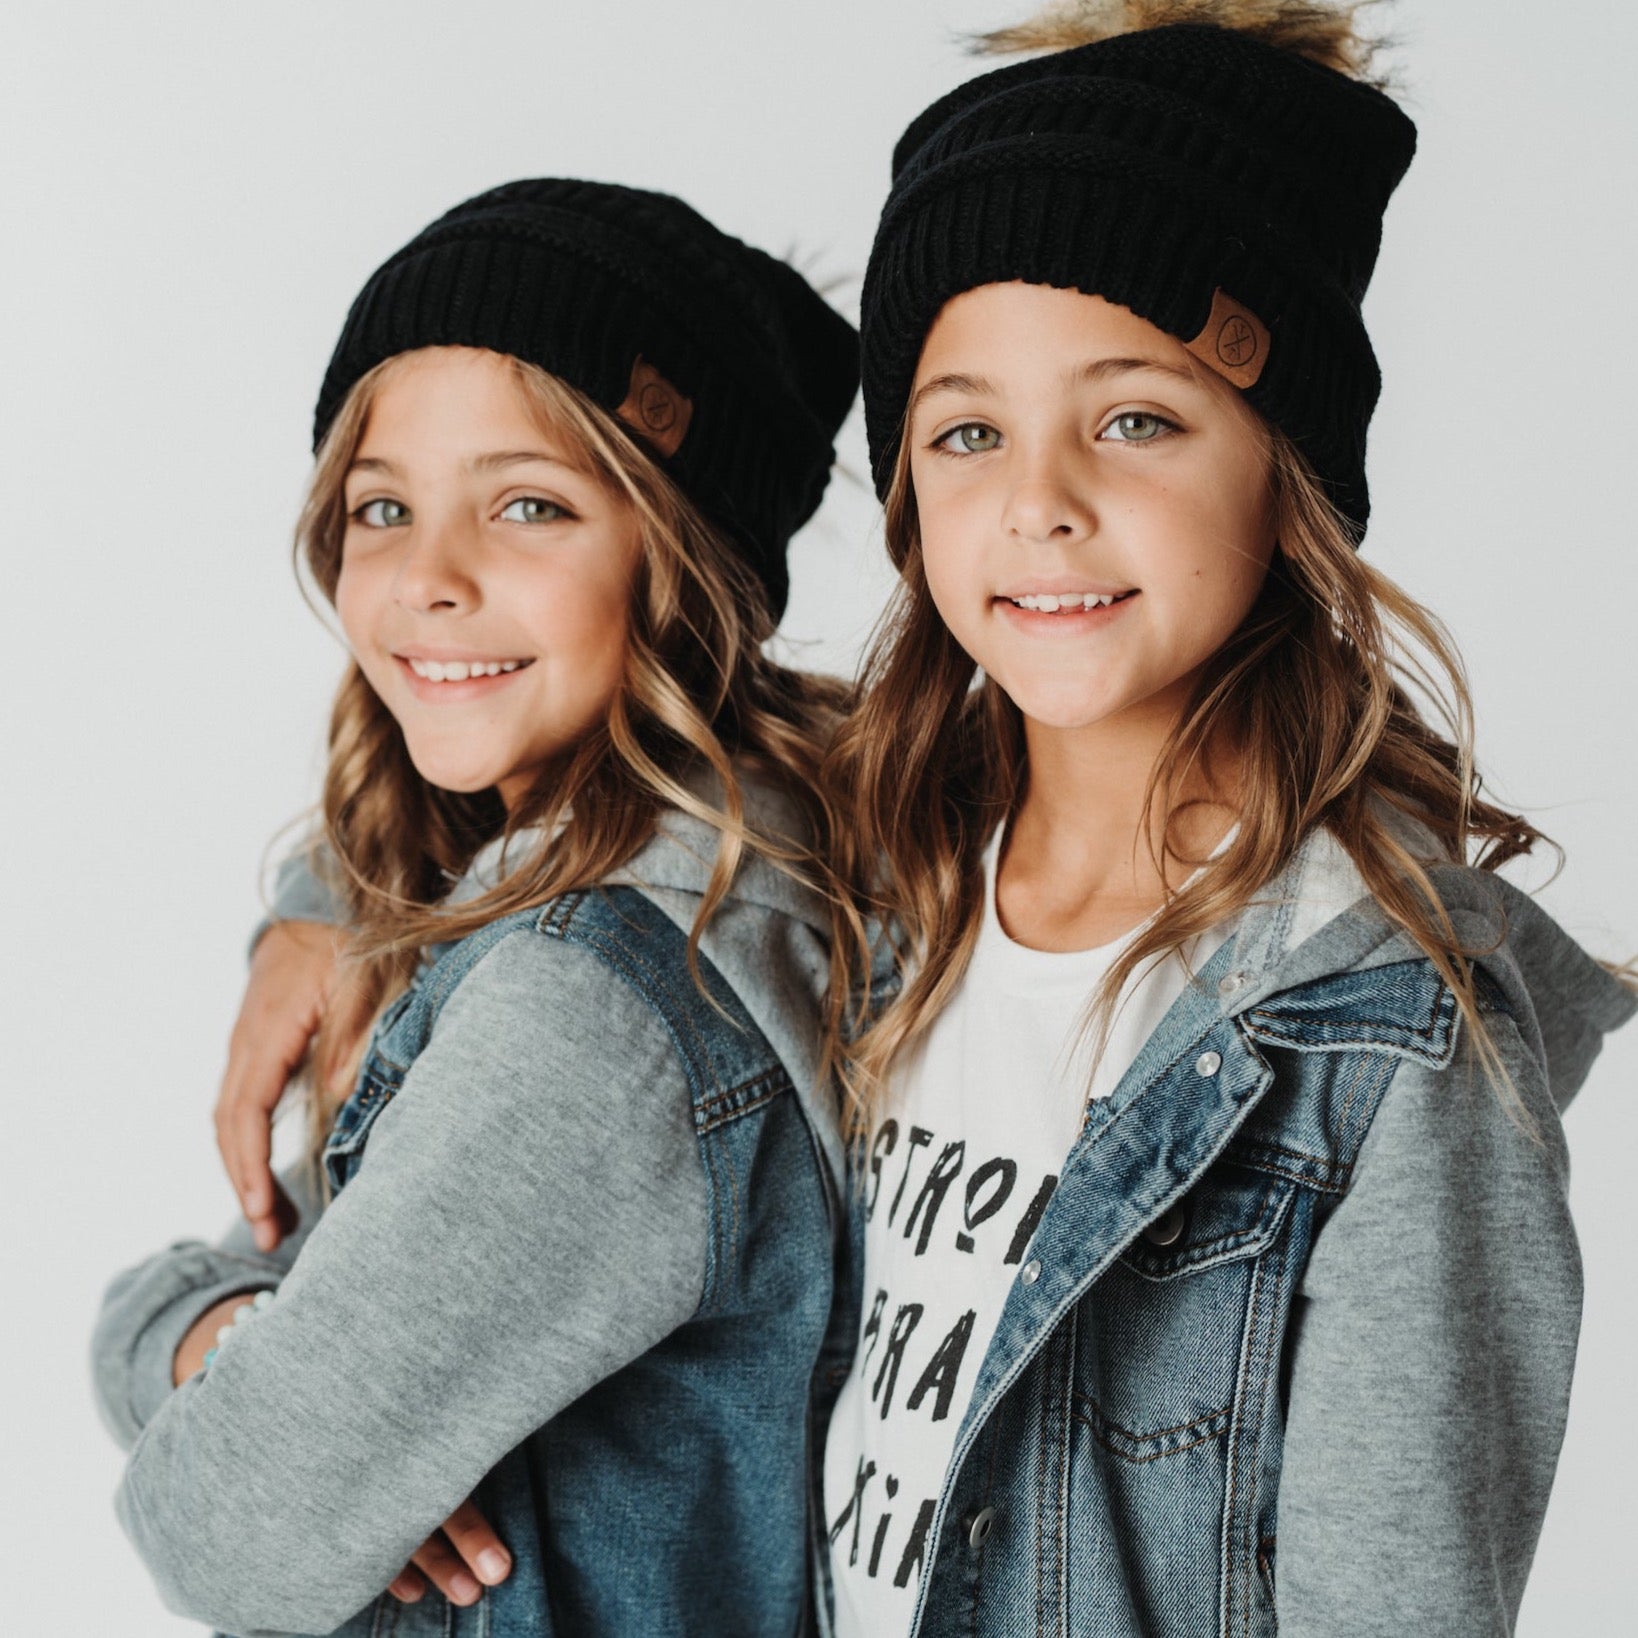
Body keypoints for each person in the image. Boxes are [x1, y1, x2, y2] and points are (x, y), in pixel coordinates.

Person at [816, 3, 1634, 1635]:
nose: (1039, 498)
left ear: (1286, 471)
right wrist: (317, 921)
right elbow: (557, 764)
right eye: (967, 430)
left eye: (1134, 417)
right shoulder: (855, 870)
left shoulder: (1394, 1035)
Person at [91, 177, 861, 1637]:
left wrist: (202, 1335)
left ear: (684, 560)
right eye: (383, 506)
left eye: (529, 504)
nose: (427, 579)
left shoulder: (594, 1002)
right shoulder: (610, 885)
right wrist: (228, 1330)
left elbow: (233, 1529)